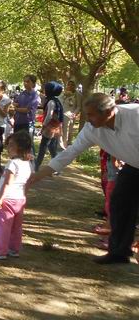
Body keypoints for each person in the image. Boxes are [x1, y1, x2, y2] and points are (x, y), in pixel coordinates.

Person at [29, 93, 139, 264]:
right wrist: (36, 176)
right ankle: (119, 253)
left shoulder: (135, 116)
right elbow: (70, 153)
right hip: (134, 165)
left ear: (109, 112)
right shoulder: (91, 129)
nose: (87, 119)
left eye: (91, 115)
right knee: (119, 202)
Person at [0, 131, 34, 260]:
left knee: (3, 226)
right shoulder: (28, 164)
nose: (8, 147)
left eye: (11, 145)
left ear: (20, 147)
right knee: (16, 227)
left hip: (7, 199)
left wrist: (0, 199)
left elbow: (7, 183)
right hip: (20, 200)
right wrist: (24, 195)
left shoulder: (13, 164)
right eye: (8, 144)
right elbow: (29, 181)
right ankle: (13, 249)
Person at [35, 81, 64, 171]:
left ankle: (36, 166)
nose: (44, 90)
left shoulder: (51, 101)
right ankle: (57, 167)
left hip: (50, 127)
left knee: (43, 146)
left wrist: (43, 126)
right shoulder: (57, 100)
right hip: (56, 126)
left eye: (45, 89)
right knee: (52, 147)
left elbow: (49, 116)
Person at [62, 80, 82, 147]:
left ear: (75, 86)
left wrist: (74, 114)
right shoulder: (63, 93)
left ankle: (67, 144)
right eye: (69, 84)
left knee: (69, 130)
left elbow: (79, 106)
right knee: (62, 130)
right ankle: (62, 144)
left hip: (71, 114)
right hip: (62, 113)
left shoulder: (78, 95)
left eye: (72, 85)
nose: (70, 86)